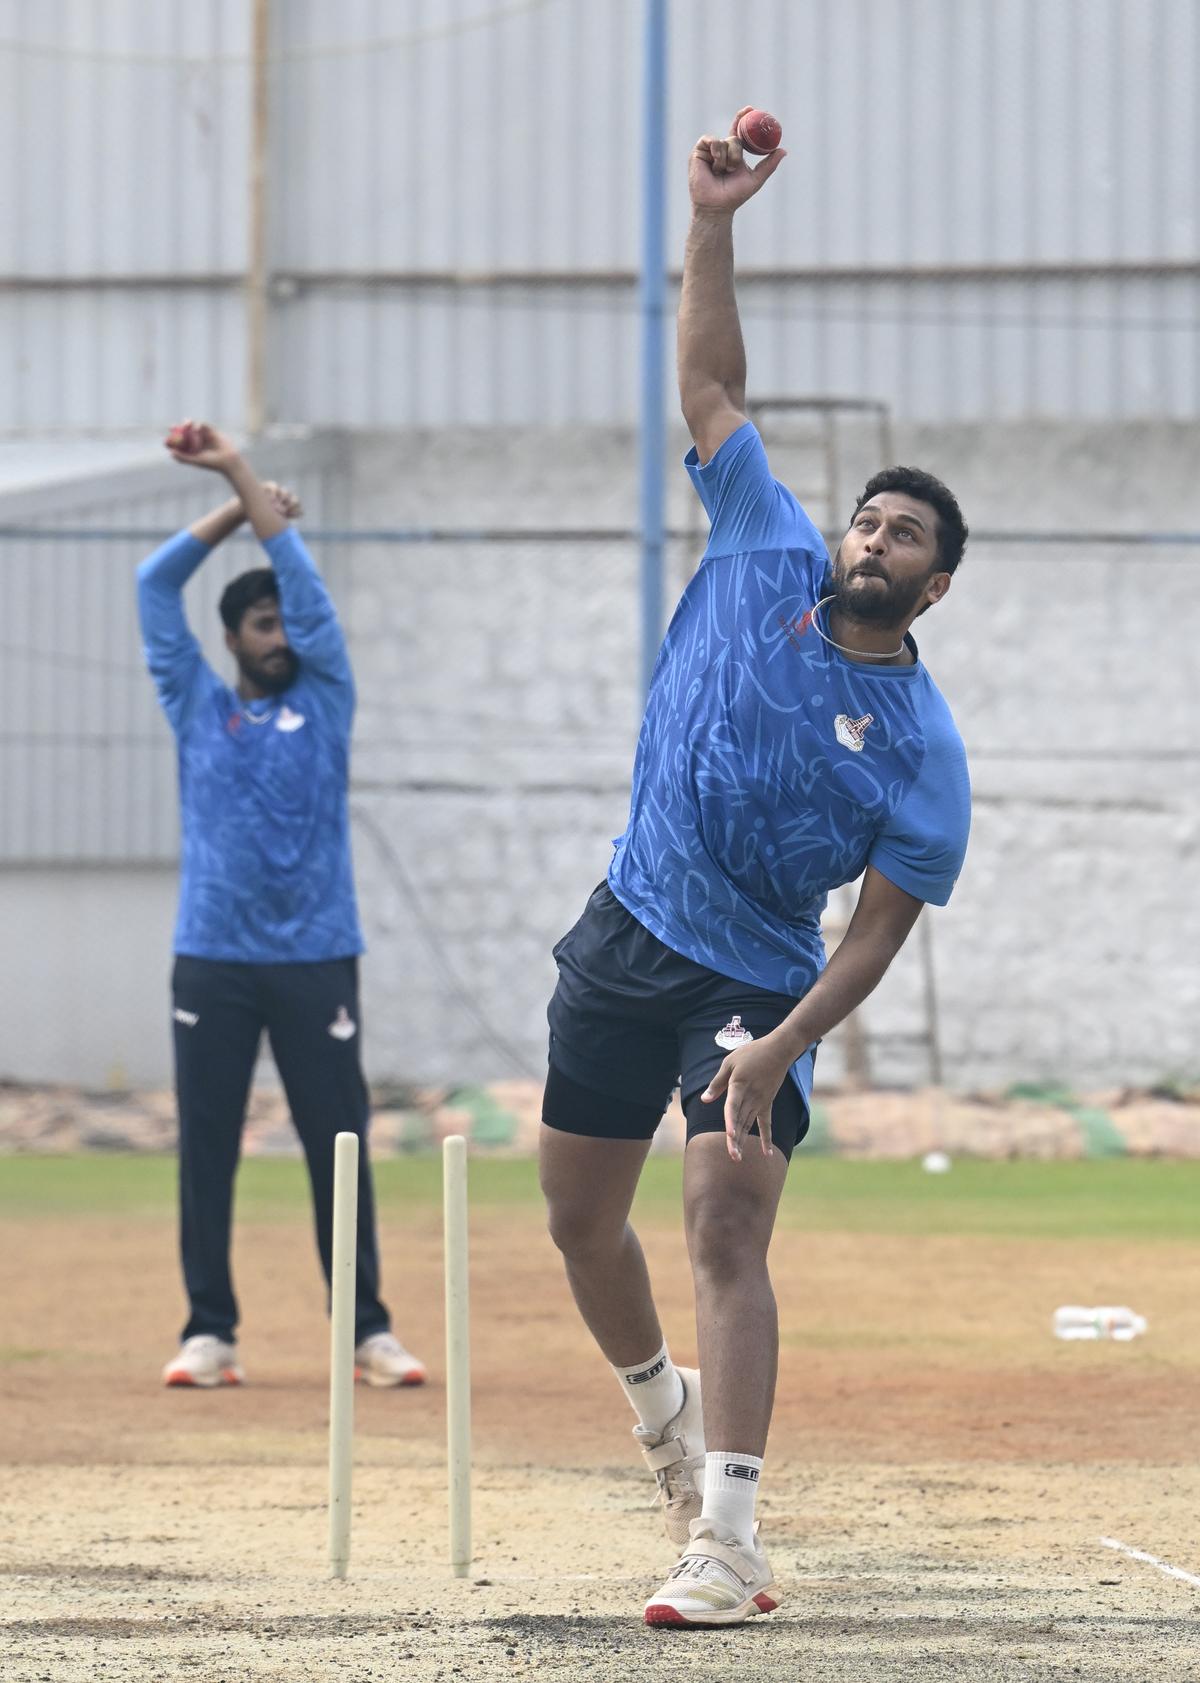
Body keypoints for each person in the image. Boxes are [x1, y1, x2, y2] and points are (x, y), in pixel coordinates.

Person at [539, 113, 971, 1628]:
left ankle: (729, 1534)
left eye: (905, 530)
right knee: (580, 1221)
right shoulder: (757, 539)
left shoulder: (920, 744)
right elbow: (711, 381)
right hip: (625, 925)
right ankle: (660, 1423)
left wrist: (786, 1041)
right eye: (870, 511)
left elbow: (879, 929)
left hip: (757, 982)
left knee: (726, 1221)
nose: (873, 531)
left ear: (934, 580)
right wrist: (714, 221)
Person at [137, 422, 425, 1392]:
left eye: (288, 623)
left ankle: (367, 1331)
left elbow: (301, 588)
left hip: (315, 955)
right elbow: (150, 586)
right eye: (263, 626)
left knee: (336, 1147)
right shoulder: (197, 701)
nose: (281, 637)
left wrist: (246, 480)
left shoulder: (327, 691)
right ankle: (209, 1332)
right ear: (232, 640)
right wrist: (231, 503)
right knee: (208, 1147)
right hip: (211, 956)